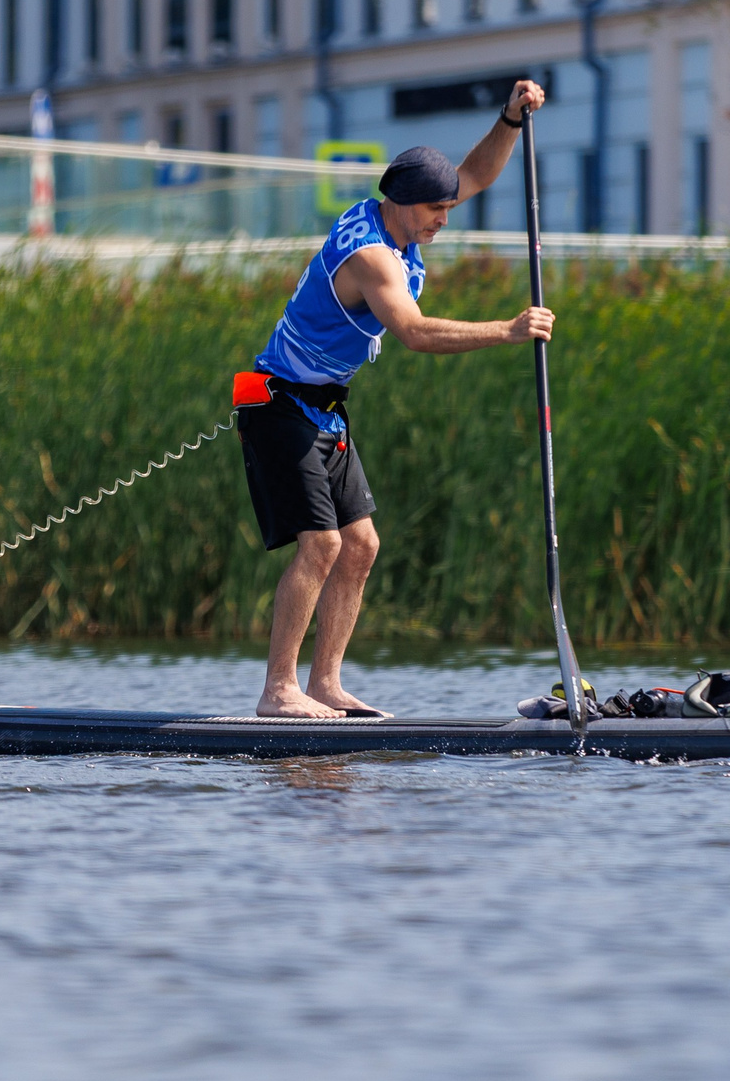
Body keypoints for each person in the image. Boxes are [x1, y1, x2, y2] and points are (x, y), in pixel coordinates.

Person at [237, 78, 553, 718]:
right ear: (406, 204)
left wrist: (510, 120)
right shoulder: (374, 257)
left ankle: (324, 685)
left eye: (448, 207)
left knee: (361, 545)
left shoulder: (401, 215)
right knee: (320, 545)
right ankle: (278, 692)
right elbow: (412, 332)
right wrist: (508, 330)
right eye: (439, 209)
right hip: (272, 401)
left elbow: (474, 175)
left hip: (322, 408)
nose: (446, 217)